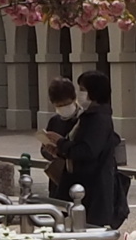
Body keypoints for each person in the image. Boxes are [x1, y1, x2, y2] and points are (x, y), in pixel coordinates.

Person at [39, 69, 129, 230]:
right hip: (77, 185)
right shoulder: (89, 116)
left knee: (91, 234)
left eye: (83, 89)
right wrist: (57, 150)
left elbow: (87, 151)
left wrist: (61, 143)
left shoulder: (98, 118)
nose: (81, 93)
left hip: (92, 188)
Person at [40, 77, 79, 203]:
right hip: (58, 178)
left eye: (66, 104)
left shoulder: (84, 119)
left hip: (77, 177)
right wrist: (49, 150)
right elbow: (44, 150)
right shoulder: (55, 121)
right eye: (59, 106)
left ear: (73, 99)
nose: (63, 108)